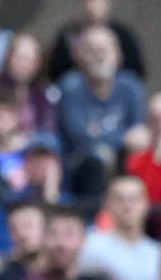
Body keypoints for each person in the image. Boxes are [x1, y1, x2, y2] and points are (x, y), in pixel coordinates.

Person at [55, 25, 147, 196]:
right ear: (78, 56)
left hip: (123, 161)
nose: (100, 56)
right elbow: (80, 138)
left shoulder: (130, 86)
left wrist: (101, 136)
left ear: (118, 55)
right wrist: (123, 138)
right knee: (98, 158)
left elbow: (139, 136)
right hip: (80, 168)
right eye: (92, 50)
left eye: (106, 49)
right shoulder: (70, 87)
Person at [77, 175, 159, 280]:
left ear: (146, 204)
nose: (128, 206)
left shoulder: (157, 252)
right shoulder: (93, 246)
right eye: (119, 199)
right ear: (107, 205)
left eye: (134, 199)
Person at [46, 0, 145, 82]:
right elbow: (55, 72)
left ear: (107, 1)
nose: (92, 5)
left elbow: (136, 70)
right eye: (87, 0)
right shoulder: (68, 34)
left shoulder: (122, 33)